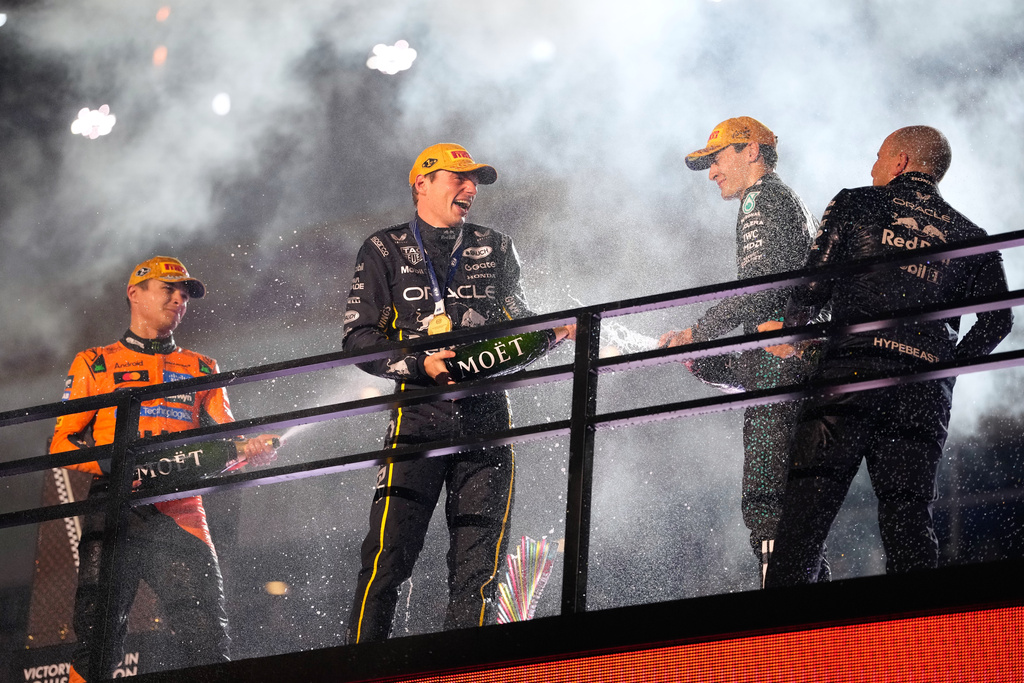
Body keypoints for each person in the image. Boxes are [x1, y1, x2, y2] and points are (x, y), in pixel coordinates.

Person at [763, 126, 1014, 587]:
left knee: (805, 519)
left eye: (878, 157)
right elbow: (999, 321)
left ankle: (778, 643)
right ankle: (921, 642)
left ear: (899, 161)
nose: (873, 166)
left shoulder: (856, 202)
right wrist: (944, 368)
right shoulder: (970, 235)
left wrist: (792, 332)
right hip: (921, 392)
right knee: (909, 525)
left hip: (850, 376)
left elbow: (813, 287)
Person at [343, 143, 574, 643]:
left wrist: (555, 330)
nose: (470, 188)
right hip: (416, 417)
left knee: (479, 570)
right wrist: (419, 363)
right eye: (459, 177)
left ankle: (467, 669)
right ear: (421, 184)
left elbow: (518, 321)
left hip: (488, 416)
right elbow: (358, 340)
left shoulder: (496, 245)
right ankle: (361, 667)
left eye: (476, 181)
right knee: (387, 558)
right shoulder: (383, 248)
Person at [50, 256, 278, 682]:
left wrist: (251, 449)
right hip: (116, 506)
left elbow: (229, 441)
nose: (179, 299)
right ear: (135, 293)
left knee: (208, 640)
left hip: (182, 508)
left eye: (185, 294)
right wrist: (114, 462)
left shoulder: (203, 367)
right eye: (168, 289)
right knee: (97, 642)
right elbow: (62, 442)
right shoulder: (94, 362)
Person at [659, 116, 819, 585]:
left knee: (769, 508)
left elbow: (765, 293)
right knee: (801, 519)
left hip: (784, 369)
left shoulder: (760, 198)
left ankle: (779, 632)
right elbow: (775, 321)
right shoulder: (790, 202)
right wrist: (711, 364)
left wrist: (699, 330)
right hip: (800, 365)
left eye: (717, 158)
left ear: (751, 150)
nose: (711, 172)